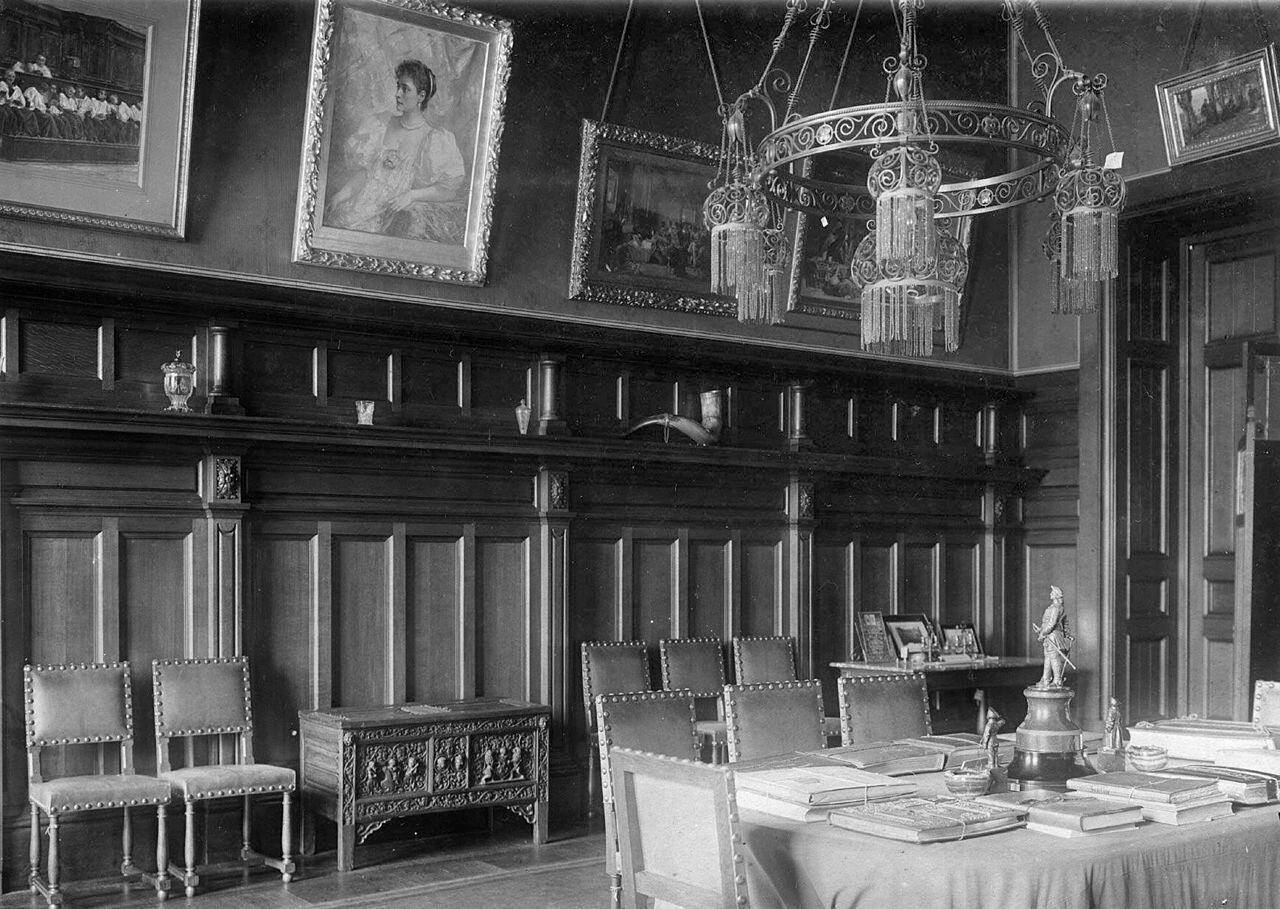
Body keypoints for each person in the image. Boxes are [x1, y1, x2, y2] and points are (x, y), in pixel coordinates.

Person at [325, 59, 467, 244]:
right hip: (359, 206)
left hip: (385, 216)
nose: (398, 94)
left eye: (405, 89)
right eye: (398, 86)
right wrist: (341, 195)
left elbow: (448, 191)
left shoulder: (434, 139)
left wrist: (412, 195)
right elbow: (366, 174)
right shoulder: (382, 124)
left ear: (421, 96)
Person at [1036, 584, 1073, 688]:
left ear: (1056, 595)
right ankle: (1046, 679)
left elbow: (1052, 624)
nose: (1050, 594)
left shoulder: (1056, 608)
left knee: (1053, 657)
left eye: (1052, 593)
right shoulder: (1057, 607)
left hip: (1052, 636)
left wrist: (1043, 633)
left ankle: (1057, 681)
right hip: (1050, 636)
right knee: (1048, 658)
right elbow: (1064, 623)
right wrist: (1041, 629)